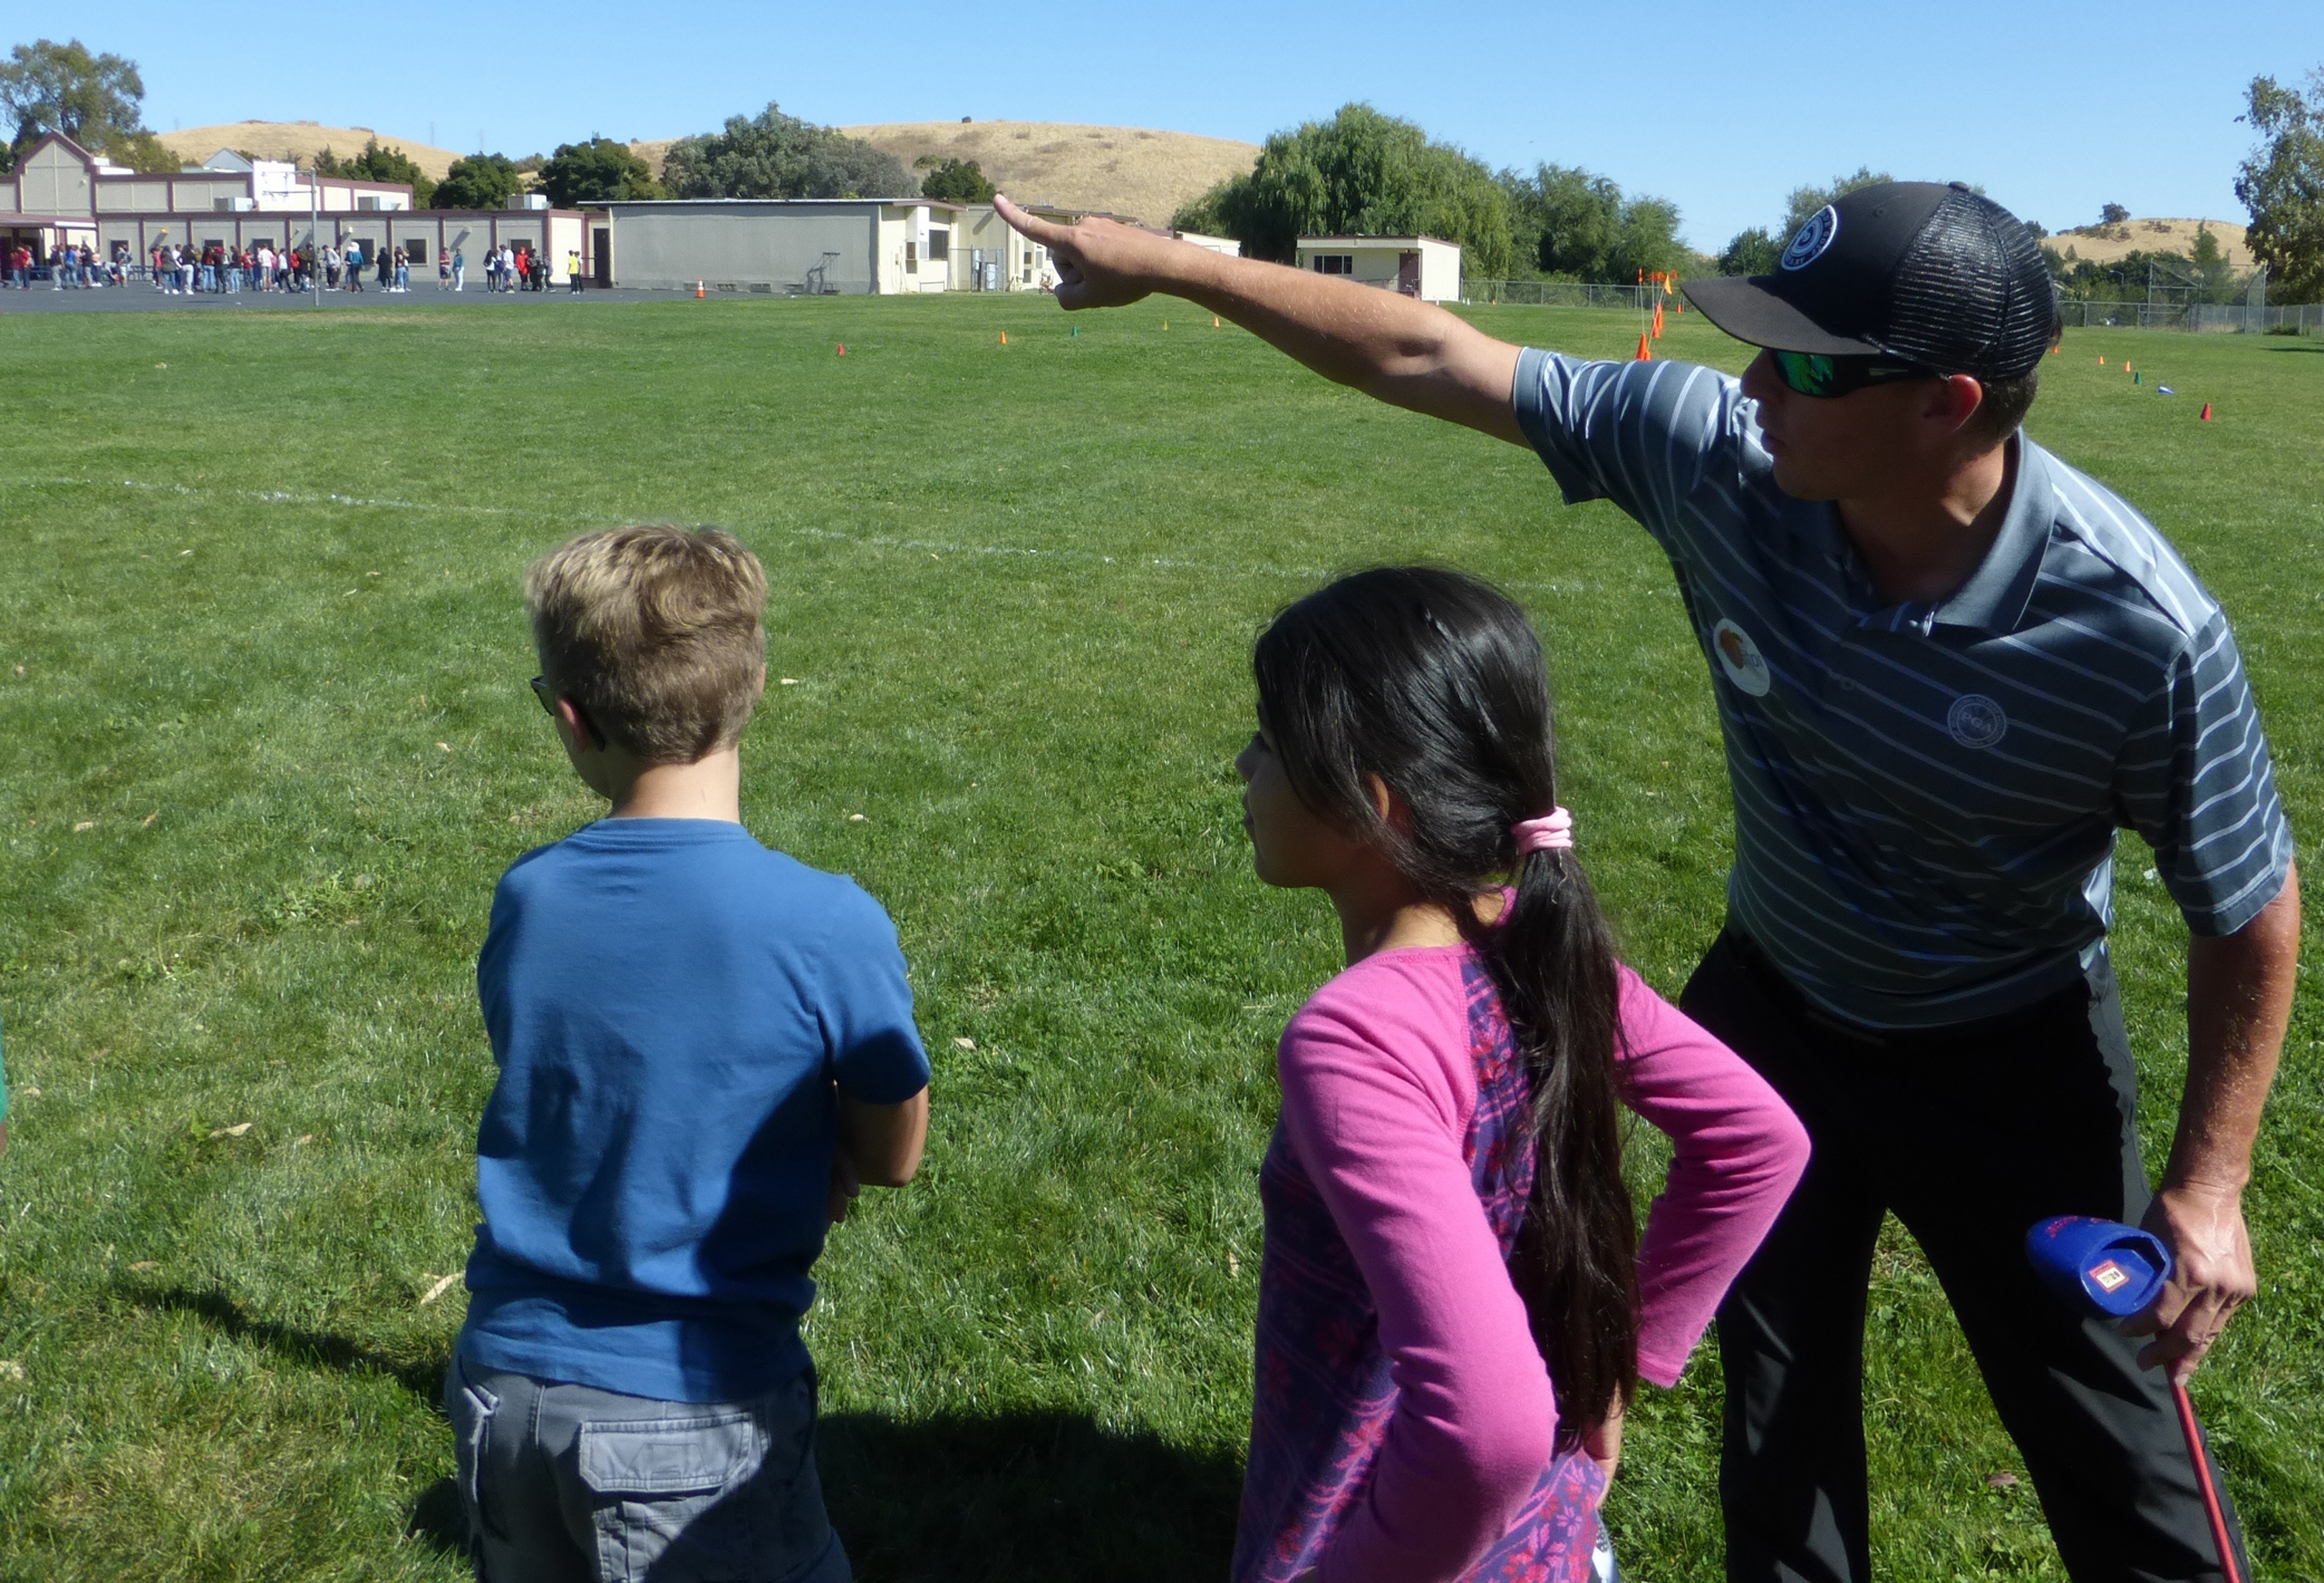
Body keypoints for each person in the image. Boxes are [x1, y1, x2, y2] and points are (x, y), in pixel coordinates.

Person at [993, 182, 2300, 1581]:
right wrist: (1170, 264)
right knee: (1779, 1418)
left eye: (1802, 363)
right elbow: (1432, 355)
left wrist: (2210, 1184)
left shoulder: (2137, 629)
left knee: (2113, 1434)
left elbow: (2248, 903)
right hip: (1779, 1002)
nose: (1750, 386)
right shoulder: (1724, 457)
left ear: (1946, 404)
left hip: (2009, 1045)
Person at [1230, 567, 1807, 1583]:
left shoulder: (1357, 1039)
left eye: (1270, 744)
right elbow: (1759, 1138)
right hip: (1554, 1535)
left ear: (1371, 804)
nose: (1243, 763)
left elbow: (1487, 1432)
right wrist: (1612, 1383)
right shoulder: (1540, 947)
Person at [446, 524, 927, 1583]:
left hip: (500, 1383)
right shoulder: (827, 921)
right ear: (751, 684)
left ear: (571, 721)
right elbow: (894, 1152)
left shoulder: (530, 895)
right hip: (693, 1413)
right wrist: (821, 1148)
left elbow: (583, 1079)